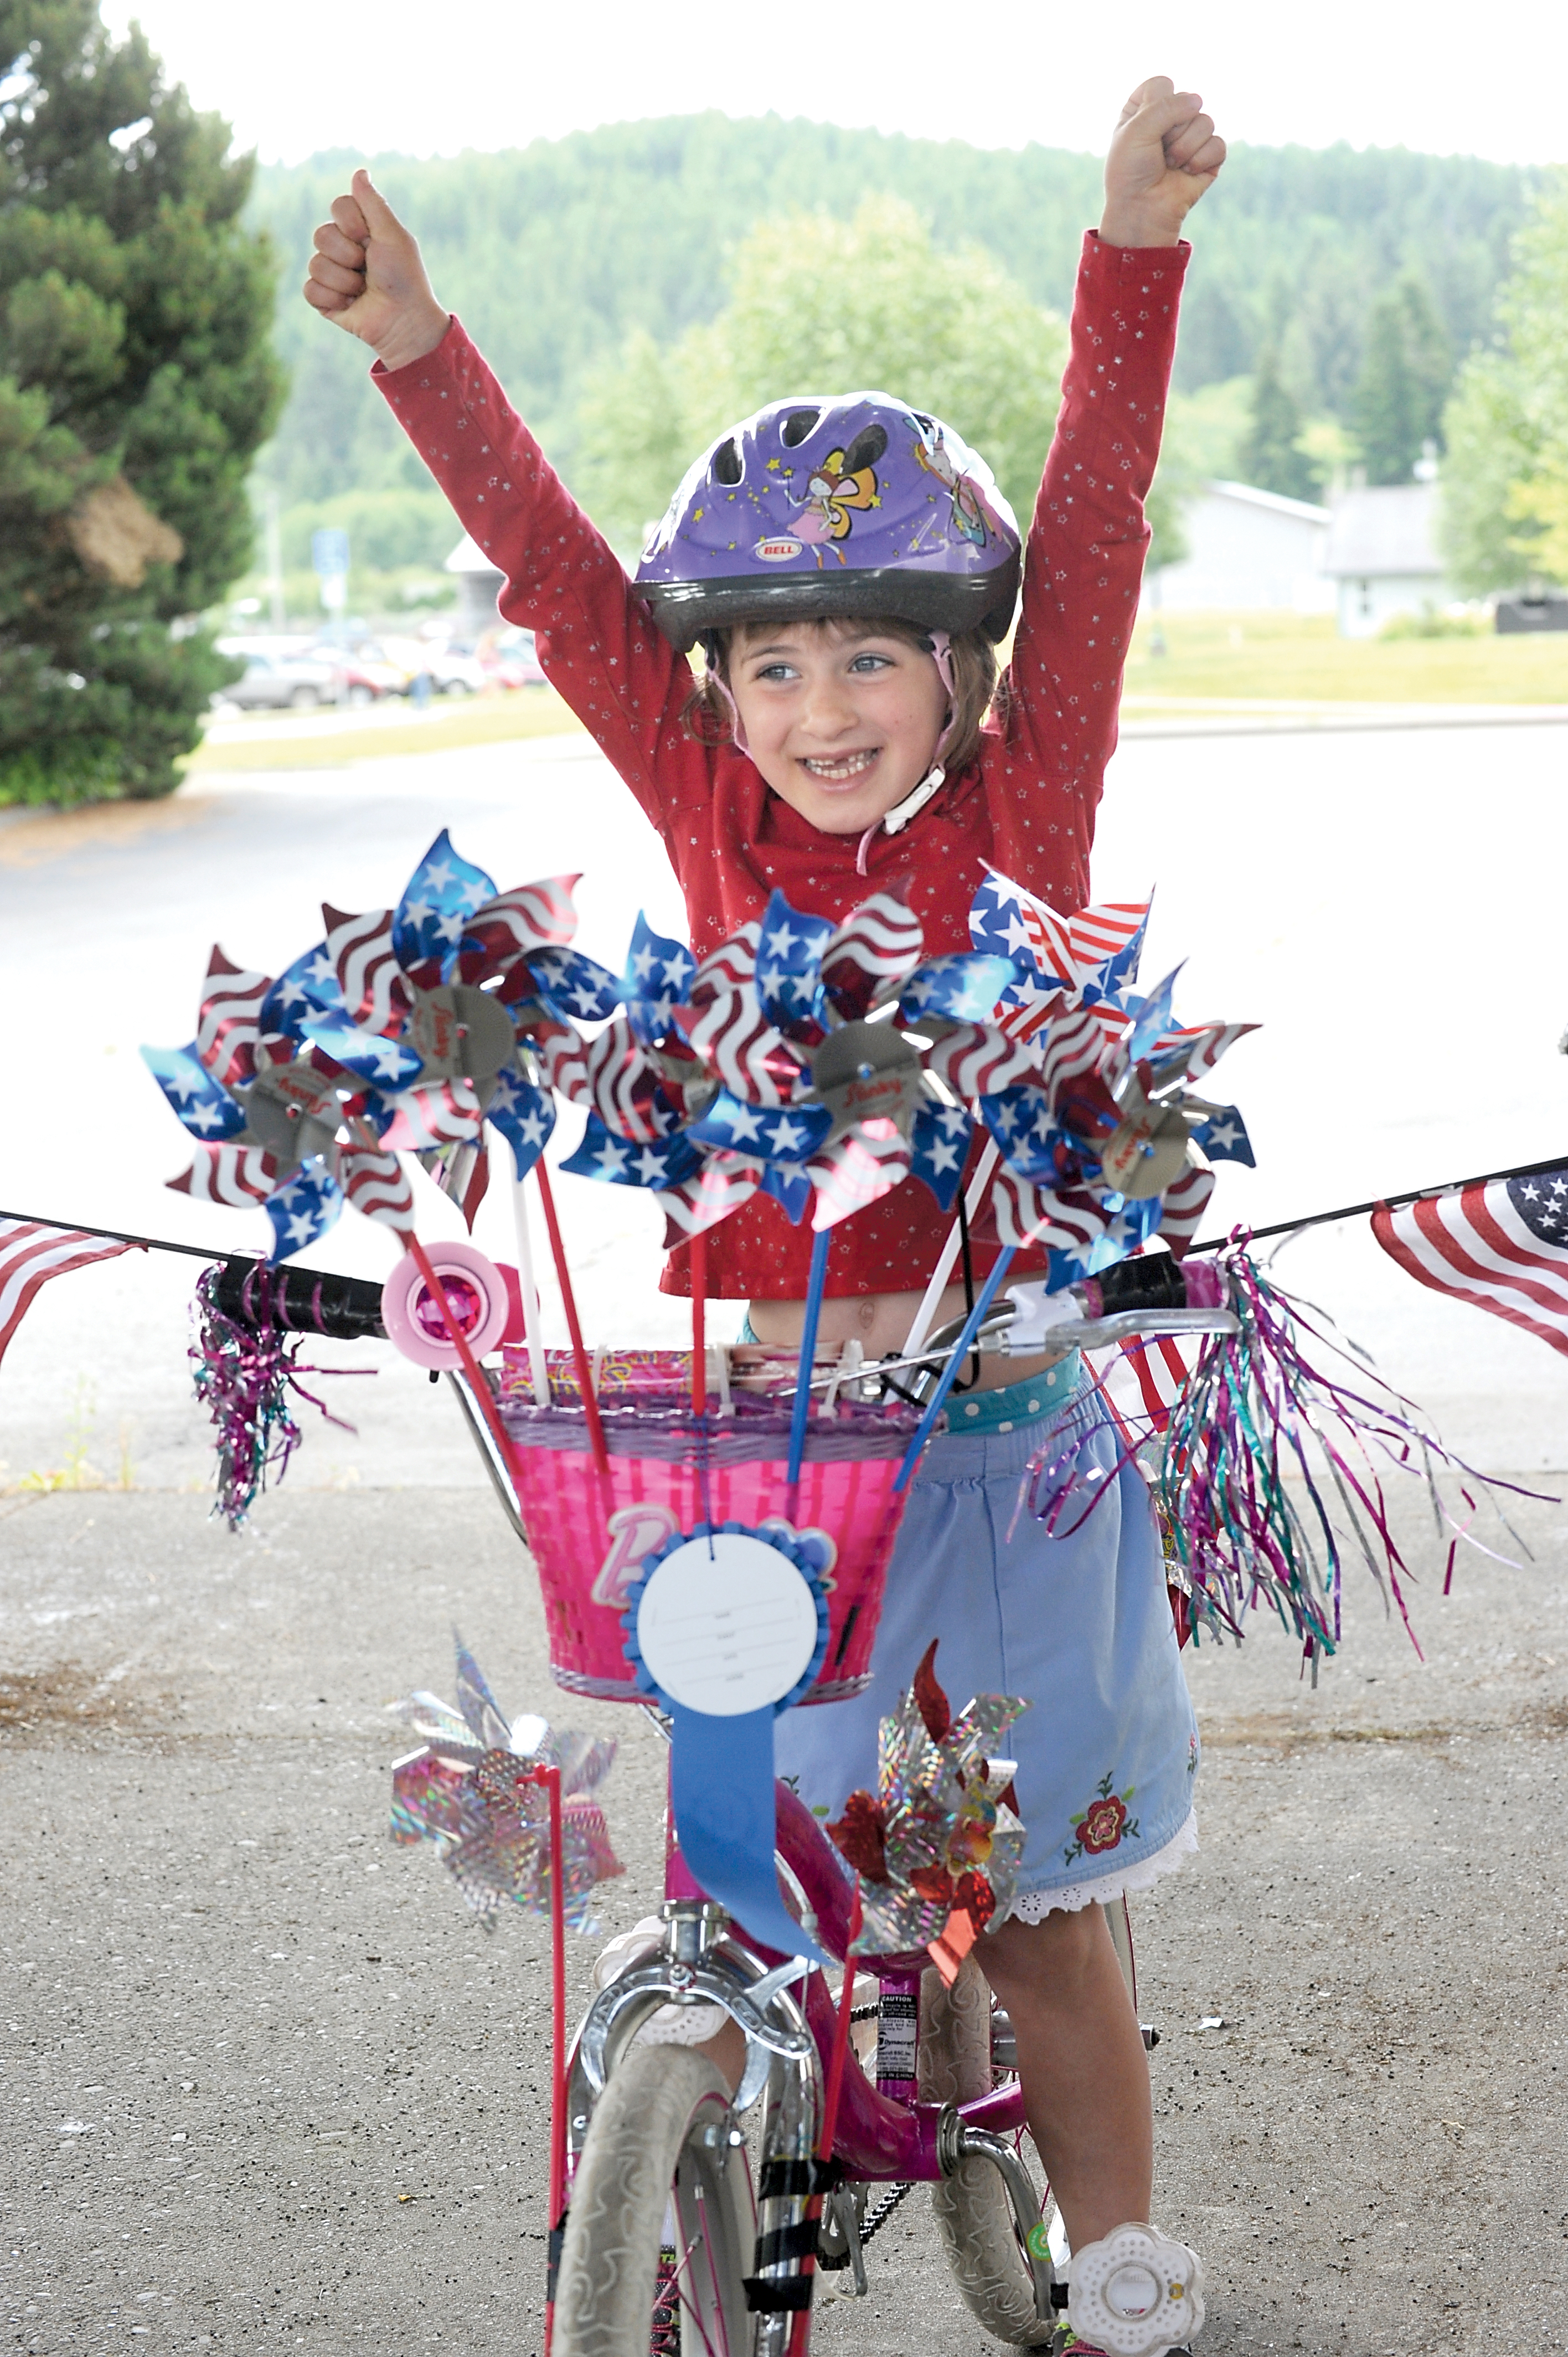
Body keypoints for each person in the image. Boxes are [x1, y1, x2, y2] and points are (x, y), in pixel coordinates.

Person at [304, 75, 1225, 2348]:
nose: (823, 708)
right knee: (768, 1853)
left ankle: (1105, 2253)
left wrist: (1133, 246)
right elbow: (550, 577)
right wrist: (423, 350)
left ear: (962, 674)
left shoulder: (1028, 797)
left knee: (1025, 1912)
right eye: (776, 663)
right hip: (771, 1462)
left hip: (1007, 1445)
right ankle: (722, 2126)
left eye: (874, 656)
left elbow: (1093, 523)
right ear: (718, 686)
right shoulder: (711, 821)